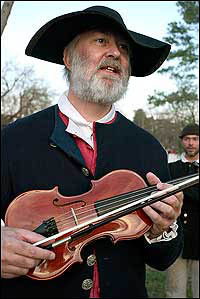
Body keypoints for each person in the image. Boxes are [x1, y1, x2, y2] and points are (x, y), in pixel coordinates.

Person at [1, 5, 184, 299]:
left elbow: (162, 260)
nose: (116, 53)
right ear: (67, 58)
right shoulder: (11, 139)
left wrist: (163, 227)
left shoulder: (148, 147)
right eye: (101, 41)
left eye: (123, 47)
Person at [165, 124, 199, 298]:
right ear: (182, 142)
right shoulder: (171, 169)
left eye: (195, 139)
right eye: (187, 139)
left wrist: (178, 188)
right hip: (177, 237)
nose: (191, 143)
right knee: (175, 290)